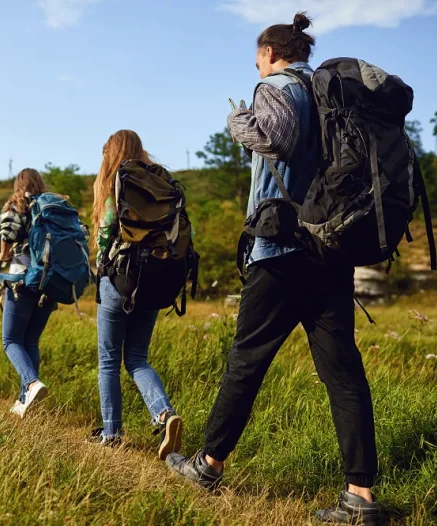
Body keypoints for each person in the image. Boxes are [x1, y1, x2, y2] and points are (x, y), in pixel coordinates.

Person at [165, 13, 381, 526]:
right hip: (331, 250)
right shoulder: (333, 96)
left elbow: (278, 140)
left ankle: (208, 465)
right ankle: (361, 497)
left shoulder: (277, 86)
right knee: (343, 371)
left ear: (269, 53)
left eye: (257, 57)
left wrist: (238, 122)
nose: (256, 64)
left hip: (283, 250)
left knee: (246, 362)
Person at [90, 129, 183, 460]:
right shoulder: (161, 180)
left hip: (120, 280)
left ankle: (112, 433)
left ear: (111, 153)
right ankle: (163, 413)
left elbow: (105, 234)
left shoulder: (117, 179)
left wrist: (101, 264)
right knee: (138, 358)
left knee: (109, 360)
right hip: (156, 279)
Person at [0, 168, 54, 417]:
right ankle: (25, 402)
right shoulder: (51, 206)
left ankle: (31, 383)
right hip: (50, 283)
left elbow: (7, 236)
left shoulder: (17, 205)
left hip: (23, 280)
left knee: (10, 340)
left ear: (18, 184)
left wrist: (3, 254)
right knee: (30, 340)